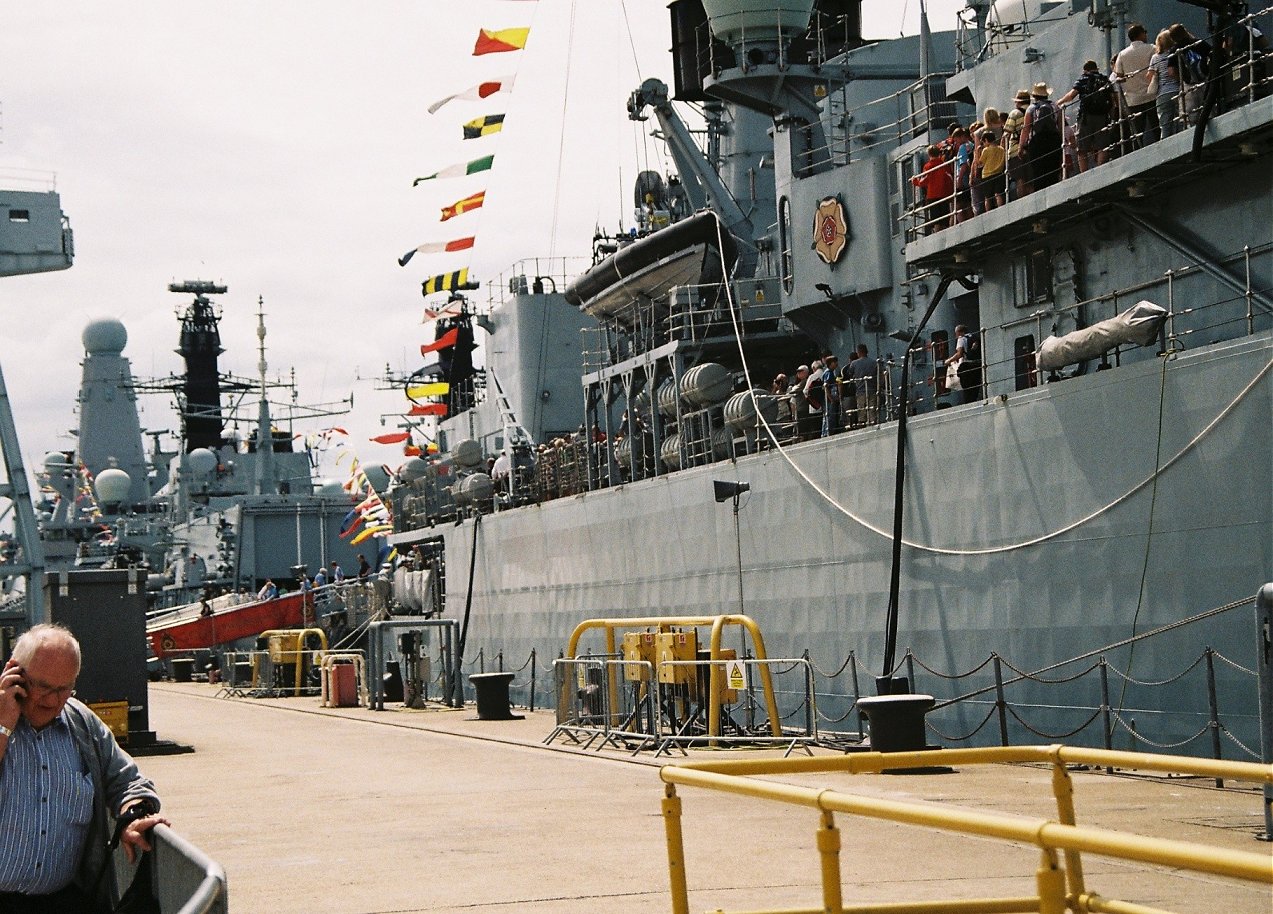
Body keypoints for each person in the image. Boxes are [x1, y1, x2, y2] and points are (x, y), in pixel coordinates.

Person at [0, 624, 167, 912]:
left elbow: (127, 780)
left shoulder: (82, 725)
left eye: (64, 689)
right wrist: (3, 724)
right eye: (43, 687)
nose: (53, 701)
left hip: (64, 901)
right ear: (15, 672)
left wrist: (133, 814)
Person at [1057, 60, 1114, 172]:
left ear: (1085, 70)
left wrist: (1059, 102)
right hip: (1102, 116)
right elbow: (1112, 99)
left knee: (1082, 148)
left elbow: (1071, 96)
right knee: (1102, 145)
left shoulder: (1083, 79)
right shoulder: (1104, 79)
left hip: (1086, 117)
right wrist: (1111, 116)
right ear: (1096, 68)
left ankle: (1084, 172)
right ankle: (1100, 169)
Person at [1115, 22, 1159, 147]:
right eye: (1144, 32)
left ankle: (1138, 152)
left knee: (1137, 132)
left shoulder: (1122, 54)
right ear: (1140, 35)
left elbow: (1119, 75)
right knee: (1157, 127)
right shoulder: (1151, 48)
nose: (1146, 35)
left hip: (1133, 99)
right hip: (1152, 95)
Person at [1020, 82, 1063, 189]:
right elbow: (1060, 125)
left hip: (1037, 142)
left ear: (1034, 96)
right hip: (1053, 139)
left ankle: (1040, 190)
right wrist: (1061, 139)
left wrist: (1021, 146)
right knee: (1053, 168)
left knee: (1038, 169)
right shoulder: (1055, 106)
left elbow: (1026, 128)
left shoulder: (1031, 108)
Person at [910, 144, 953, 233]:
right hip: (944, 194)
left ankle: (938, 235)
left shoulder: (928, 166)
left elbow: (923, 181)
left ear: (929, 155)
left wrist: (915, 181)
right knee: (945, 219)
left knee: (936, 220)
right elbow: (949, 179)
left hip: (933, 196)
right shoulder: (944, 164)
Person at [1148, 29, 1182, 138]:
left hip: (1163, 92)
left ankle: (1165, 141)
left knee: (1165, 122)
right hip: (1177, 89)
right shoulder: (1176, 53)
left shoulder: (1155, 57)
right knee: (1180, 119)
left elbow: (1150, 75)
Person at [1001, 89, 1031, 199]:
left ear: (1018, 102)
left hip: (1015, 150)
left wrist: (1003, 150)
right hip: (1031, 148)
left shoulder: (1015, 113)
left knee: (1020, 177)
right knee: (1030, 178)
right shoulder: (1032, 111)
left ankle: (1023, 200)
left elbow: (1007, 133)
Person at [945, 325, 983, 405]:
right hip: (978, 365)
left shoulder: (961, 339)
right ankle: (975, 402)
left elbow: (959, 354)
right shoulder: (975, 337)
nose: (955, 335)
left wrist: (949, 360)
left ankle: (969, 404)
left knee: (967, 389)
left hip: (968, 365)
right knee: (975, 387)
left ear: (960, 332)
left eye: (956, 333)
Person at [847, 345, 878, 427]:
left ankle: (863, 428)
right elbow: (879, 375)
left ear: (859, 352)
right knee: (872, 413)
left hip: (860, 391)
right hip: (872, 390)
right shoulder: (874, 362)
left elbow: (850, 374)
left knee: (862, 415)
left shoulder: (854, 363)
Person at [819, 354, 842, 437]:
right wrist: (830, 398)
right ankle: (826, 433)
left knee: (827, 416)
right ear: (831, 363)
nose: (836, 364)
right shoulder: (829, 373)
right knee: (829, 416)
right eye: (835, 362)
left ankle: (826, 432)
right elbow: (826, 386)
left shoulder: (830, 372)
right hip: (829, 399)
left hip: (828, 399)